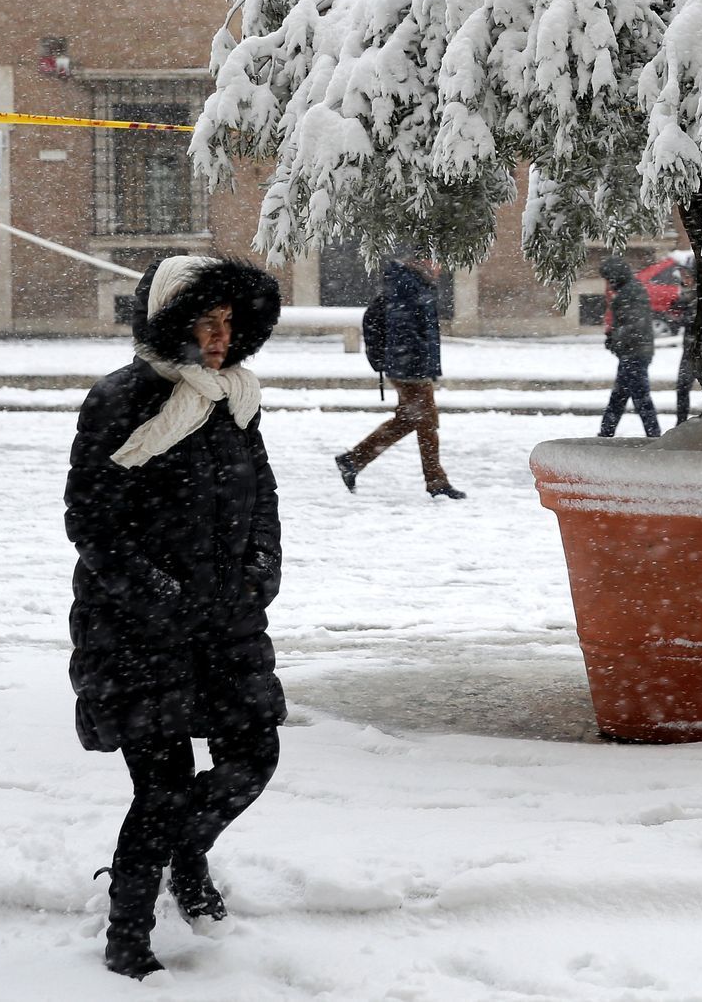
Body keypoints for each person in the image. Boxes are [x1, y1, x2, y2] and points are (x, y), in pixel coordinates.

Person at [64, 255, 286, 979]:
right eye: (206, 322)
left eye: (229, 324)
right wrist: (159, 594)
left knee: (253, 758)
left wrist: (260, 572)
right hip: (137, 628)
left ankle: (182, 857)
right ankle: (128, 934)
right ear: (172, 323)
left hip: (227, 620)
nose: (220, 337)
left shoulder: (234, 400)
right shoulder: (121, 399)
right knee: (159, 786)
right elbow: (91, 520)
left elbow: (265, 501)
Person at [334, 251, 465, 499]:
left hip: (411, 366)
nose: (440, 268)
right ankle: (436, 481)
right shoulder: (408, 286)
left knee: (407, 421)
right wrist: (414, 364)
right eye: (437, 261)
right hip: (410, 369)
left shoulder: (414, 284)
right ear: (423, 261)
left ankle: (352, 461)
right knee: (427, 424)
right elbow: (406, 331)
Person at [598, 255, 660, 438]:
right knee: (620, 396)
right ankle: (606, 433)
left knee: (639, 397)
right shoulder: (629, 291)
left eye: (609, 279)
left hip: (635, 353)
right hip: (632, 352)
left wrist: (614, 339)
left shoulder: (631, 293)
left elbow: (634, 326)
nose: (608, 284)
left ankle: (654, 435)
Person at [672, 280, 702, 426]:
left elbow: (690, 321)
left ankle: (682, 421)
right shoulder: (690, 301)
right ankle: (681, 421)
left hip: (697, 351)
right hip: (691, 350)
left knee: (683, 387)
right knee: (682, 388)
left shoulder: (698, 302)